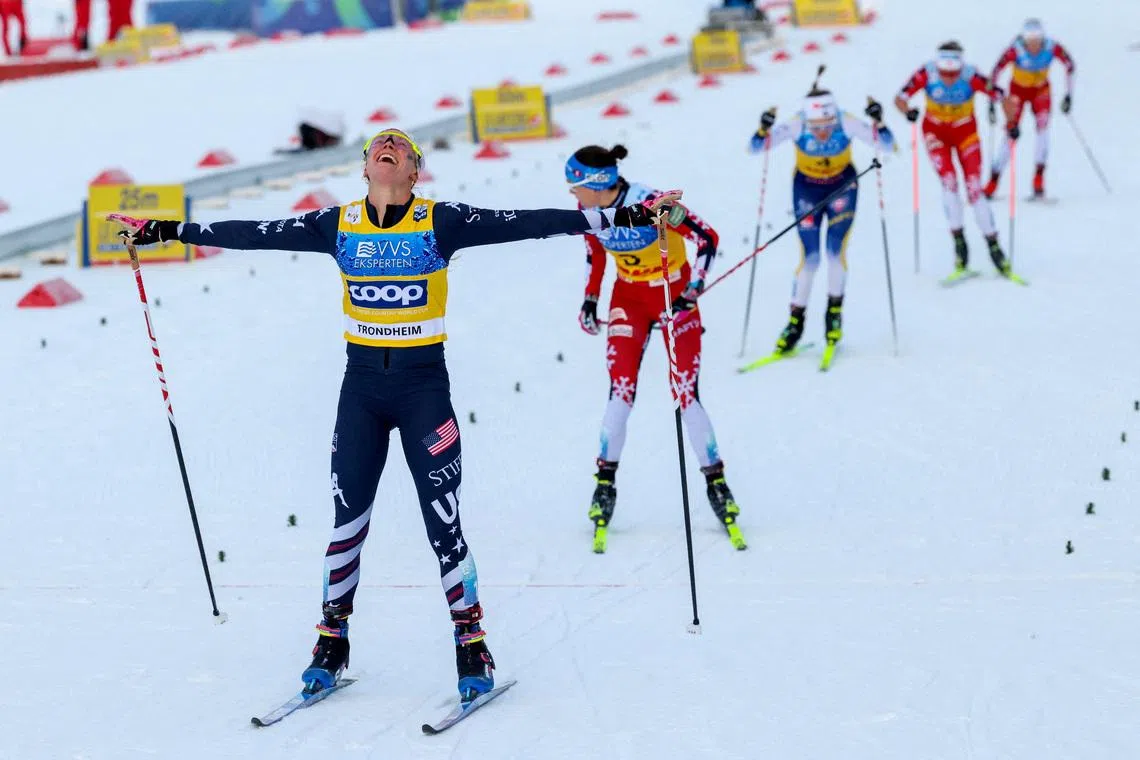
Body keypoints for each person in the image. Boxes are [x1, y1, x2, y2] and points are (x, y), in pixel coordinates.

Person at [113, 128, 670, 704]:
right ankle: (331, 642)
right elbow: (254, 233)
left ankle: (471, 642)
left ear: (413, 172)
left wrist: (629, 215)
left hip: (423, 390)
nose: (389, 148)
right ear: (365, 168)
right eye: (379, 145)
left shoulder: (441, 221)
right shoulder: (338, 224)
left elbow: (527, 221)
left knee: (442, 523)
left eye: (400, 148)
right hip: (361, 393)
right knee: (346, 521)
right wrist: (165, 230)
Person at [566, 145, 745, 553]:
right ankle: (604, 484)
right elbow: (595, 251)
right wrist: (591, 298)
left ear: (597, 184)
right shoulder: (588, 213)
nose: (571, 196)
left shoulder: (652, 203)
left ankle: (716, 482)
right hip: (628, 299)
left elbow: (707, 238)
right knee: (621, 391)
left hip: (673, 296)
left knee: (685, 392)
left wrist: (693, 288)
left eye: (575, 187)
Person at [748, 87, 895, 360]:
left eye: (828, 125)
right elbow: (756, 148)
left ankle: (834, 315)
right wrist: (762, 129)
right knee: (811, 259)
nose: (823, 132)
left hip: (843, 188)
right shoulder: (796, 124)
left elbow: (887, 145)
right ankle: (795, 323)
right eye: (816, 127)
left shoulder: (847, 121)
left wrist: (880, 121)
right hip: (807, 190)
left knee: (835, 252)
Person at [895, 41, 1015, 282]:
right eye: (944, 74)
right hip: (935, 133)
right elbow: (900, 97)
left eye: (953, 74)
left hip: (965, 133)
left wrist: (1011, 123)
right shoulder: (926, 73)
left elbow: (1003, 97)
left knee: (974, 190)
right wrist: (907, 112)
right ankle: (960, 248)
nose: (949, 79)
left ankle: (994, 247)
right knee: (949, 184)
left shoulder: (972, 76)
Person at [983, 19, 1075, 200]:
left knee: (1043, 131)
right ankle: (993, 182)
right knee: (1011, 134)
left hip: (1041, 92)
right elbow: (995, 72)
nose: (1034, 46)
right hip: (1018, 92)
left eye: (1037, 41)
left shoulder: (1051, 47)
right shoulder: (1015, 49)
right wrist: (992, 102)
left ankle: (1038, 180)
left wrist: (1069, 95)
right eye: (1030, 41)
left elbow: (1070, 65)